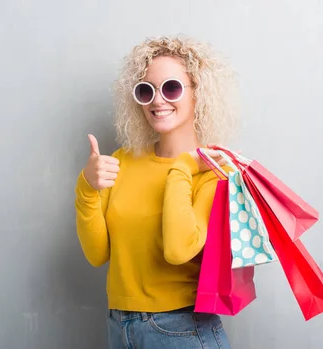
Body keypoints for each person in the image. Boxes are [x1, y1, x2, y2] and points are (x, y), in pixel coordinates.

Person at [74, 35, 238, 349]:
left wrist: (182, 169)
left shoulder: (215, 170)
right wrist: (86, 186)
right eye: (146, 91)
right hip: (119, 325)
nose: (157, 101)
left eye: (172, 88)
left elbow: (179, 250)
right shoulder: (123, 160)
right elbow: (97, 254)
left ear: (198, 93)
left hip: (181, 327)